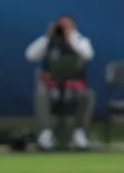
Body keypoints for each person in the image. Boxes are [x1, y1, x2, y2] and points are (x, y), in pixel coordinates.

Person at [25, 15, 95, 150]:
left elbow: (88, 55)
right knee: (41, 93)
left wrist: (70, 37)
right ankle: (46, 133)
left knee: (88, 95)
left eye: (66, 25)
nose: (63, 28)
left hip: (73, 88)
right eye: (60, 25)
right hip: (52, 87)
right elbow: (30, 55)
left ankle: (79, 133)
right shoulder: (49, 41)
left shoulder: (80, 40)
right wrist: (47, 37)